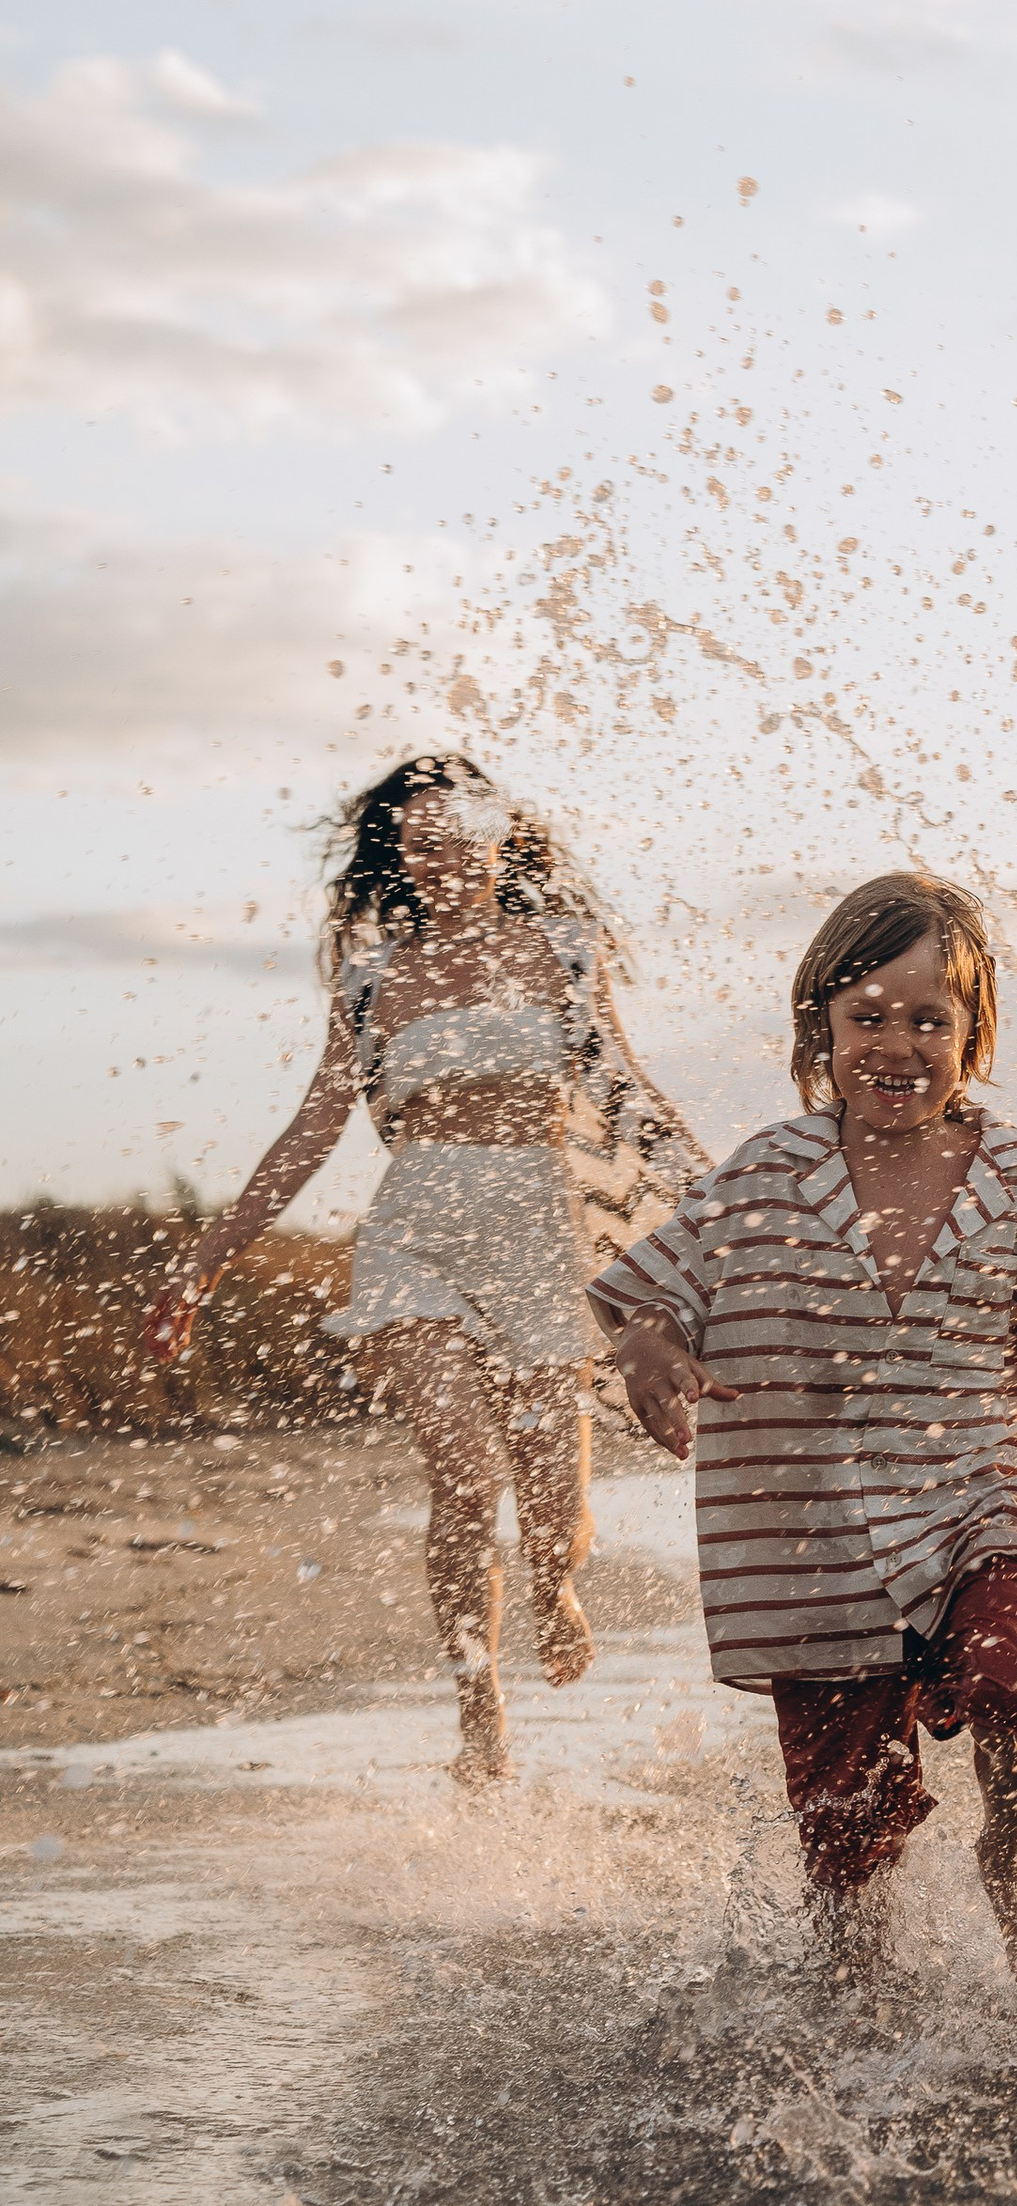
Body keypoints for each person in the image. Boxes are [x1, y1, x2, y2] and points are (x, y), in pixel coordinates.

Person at [591, 870, 1017, 2013]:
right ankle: (858, 2003)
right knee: (845, 1834)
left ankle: (1011, 1858)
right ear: (819, 1022)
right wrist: (644, 1344)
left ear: (971, 1034)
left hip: (974, 1479)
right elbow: (644, 1291)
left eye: (930, 1018)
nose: (897, 1042)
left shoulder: (1016, 1174)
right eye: (868, 1014)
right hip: (807, 1528)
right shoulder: (767, 1171)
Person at [142, 752, 704, 1785]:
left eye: (460, 836)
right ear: (399, 857)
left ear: (500, 840)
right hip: (415, 1234)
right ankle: (476, 1692)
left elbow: (627, 1093)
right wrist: (202, 1265)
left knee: (549, 1502)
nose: (443, 856)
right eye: (421, 842)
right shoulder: (368, 977)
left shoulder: (564, 951)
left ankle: (552, 1586)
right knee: (460, 1471)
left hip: (540, 1237)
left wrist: (729, 1210)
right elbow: (312, 1128)